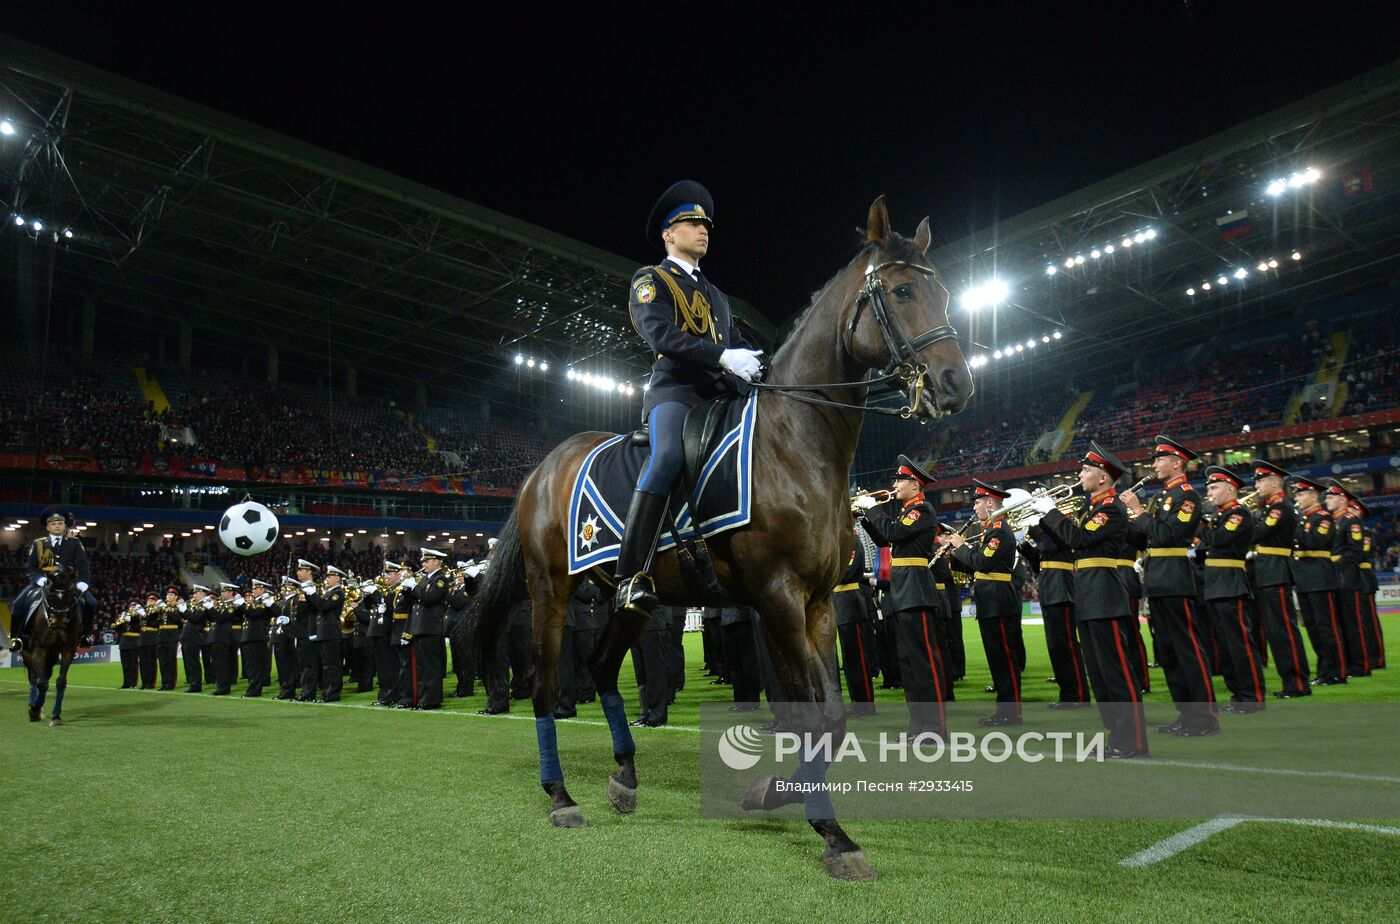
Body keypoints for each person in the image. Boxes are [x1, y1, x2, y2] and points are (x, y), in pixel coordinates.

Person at [613, 180, 762, 621]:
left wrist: (758, 361)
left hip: (720, 394)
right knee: (668, 457)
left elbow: (736, 343)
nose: (703, 230)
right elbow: (661, 335)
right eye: (692, 223)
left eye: (706, 225)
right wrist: (723, 356)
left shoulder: (717, 294)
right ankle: (630, 574)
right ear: (668, 234)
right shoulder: (650, 279)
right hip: (676, 391)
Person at [1032, 442, 1149, 758]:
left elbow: (1079, 539)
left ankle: (1133, 739)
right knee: (1099, 672)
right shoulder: (1095, 507)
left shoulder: (1110, 508)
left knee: (1116, 671)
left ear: (1102, 477)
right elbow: (1072, 543)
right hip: (1089, 594)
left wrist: (1051, 512)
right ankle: (1118, 736)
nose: (1079, 474)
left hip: (1105, 594)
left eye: (1086, 470)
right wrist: (1044, 518)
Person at [1121, 436, 1219, 737]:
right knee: (1168, 652)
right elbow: (1143, 540)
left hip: (1175, 578)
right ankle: (1185, 715)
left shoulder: (1187, 496)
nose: (1153, 465)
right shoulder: (1162, 497)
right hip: (1159, 579)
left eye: (1159, 459)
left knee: (1188, 650)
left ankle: (1204, 718)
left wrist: (1138, 513)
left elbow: (1166, 535)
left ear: (1176, 462)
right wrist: (1124, 519)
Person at [856, 455, 948, 736]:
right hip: (902, 590)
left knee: (923, 660)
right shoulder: (904, 511)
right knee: (908, 663)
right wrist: (866, 516)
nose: (894, 484)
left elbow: (893, 533)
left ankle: (935, 727)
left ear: (916, 484)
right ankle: (918, 724)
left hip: (916, 590)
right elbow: (884, 538)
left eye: (900, 479)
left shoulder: (921, 510)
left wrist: (873, 510)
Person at [947, 479, 1023, 727]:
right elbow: (978, 565)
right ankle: (1005, 711)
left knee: (1004, 658)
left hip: (998, 600)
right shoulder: (992, 529)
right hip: (992, 600)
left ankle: (1010, 713)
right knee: (997, 658)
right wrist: (955, 557)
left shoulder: (999, 530)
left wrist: (960, 547)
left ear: (991, 502)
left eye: (978, 502)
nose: (975, 508)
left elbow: (982, 562)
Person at [1200, 467, 1266, 714]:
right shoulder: (1220, 514)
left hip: (1231, 582)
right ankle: (1239, 694)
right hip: (1216, 583)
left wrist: (1202, 519)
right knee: (1226, 646)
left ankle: (1253, 697)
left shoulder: (1238, 513)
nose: (1210, 493)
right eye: (1208, 488)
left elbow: (1217, 540)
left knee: (1240, 644)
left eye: (1214, 488)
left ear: (1230, 489)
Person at [1248, 460, 1310, 698]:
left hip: (1276, 570)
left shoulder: (1280, 508)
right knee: (1275, 630)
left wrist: (1245, 516)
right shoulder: (1270, 507)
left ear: (1275, 482)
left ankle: (1297, 683)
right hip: (1268, 571)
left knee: (1283, 629)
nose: (1257, 485)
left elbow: (1257, 534)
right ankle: (1291, 682)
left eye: (1261, 480)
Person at [10, 507, 94, 652]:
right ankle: (16, 637)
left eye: (60, 523)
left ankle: (86, 635)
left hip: (68, 584)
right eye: (54, 524)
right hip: (43, 582)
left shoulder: (75, 543)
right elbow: (31, 567)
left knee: (92, 603)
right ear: (48, 526)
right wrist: (39, 579)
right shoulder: (39, 544)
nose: (57, 526)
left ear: (65, 526)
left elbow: (83, 565)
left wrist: (83, 582)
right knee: (18, 604)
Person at [1291, 476, 1347, 685]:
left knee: (1327, 627)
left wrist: (1297, 524)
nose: (1297, 497)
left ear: (1314, 496)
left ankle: (1337, 671)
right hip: (1304, 577)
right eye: (1296, 494)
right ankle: (1324, 671)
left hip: (1321, 577)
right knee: (1313, 628)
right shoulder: (1304, 518)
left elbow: (1314, 541)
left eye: (1302, 493)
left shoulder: (1323, 518)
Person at [1325, 480, 1373, 677]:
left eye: (1330, 497)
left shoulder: (1351, 521)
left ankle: (1361, 666)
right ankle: (1349, 664)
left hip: (1347, 576)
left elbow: (1355, 551)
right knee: (1341, 624)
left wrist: (1335, 562)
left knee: (1352, 624)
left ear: (1342, 499)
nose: (1326, 500)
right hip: (1336, 577)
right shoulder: (1335, 520)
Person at [833, 513, 877, 717]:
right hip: (841, 604)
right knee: (850, 662)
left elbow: (846, 573)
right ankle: (858, 702)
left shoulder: (852, 541)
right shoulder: (844, 541)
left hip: (850, 602)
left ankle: (865, 704)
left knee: (857, 658)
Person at [401, 548, 450, 710]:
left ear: (437, 562)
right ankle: (423, 698)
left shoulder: (441, 579)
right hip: (419, 627)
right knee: (421, 667)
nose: (423, 564)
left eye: (427, 561)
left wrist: (413, 586)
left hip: (430, 627)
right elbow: (414, 600)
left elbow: (429, 598)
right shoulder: (424, 579)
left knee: (431, 667)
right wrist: (406, 588)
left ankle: (432, 700)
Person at [304, 565, 347, 702]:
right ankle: (327, 692)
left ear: (338, 579)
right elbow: (316, 608)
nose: (326, 579)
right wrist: (309, 596)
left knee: (332, 665)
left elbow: (323, 606)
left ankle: (333, 693)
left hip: (331, 632)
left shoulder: (338, 593)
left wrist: (313, 594)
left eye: (329, 577)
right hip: (324, 632)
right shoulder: (328, 593)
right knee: (326, 666)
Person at [240, 579, 276, 698]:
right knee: (251, 666)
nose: (253, 591)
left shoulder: (264, 601)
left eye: (256, 589)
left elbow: (254, 613)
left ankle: (254, 690)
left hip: (257, 637)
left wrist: (243, 604)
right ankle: (253, 688)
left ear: (262, 590)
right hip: (250, 636)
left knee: (255, 666)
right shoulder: (256, 601)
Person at [271, 576, 303, 700]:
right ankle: (284, 688)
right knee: (282, 666)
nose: (284, 589)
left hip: (288, 636)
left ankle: (289, 689)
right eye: (283, 586)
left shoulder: (295, 600)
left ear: (293, 588)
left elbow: (295, 615)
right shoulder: (283, 601)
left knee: (289, 665)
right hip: (280, 636)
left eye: (287, 586)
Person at [180, 585, 207, 693]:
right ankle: (193, 683)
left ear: (202, 594)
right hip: (188, 636)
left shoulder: (203, 605)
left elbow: (195, 618)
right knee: (190, 662)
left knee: (193, 662)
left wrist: (185, 611)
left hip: (194, 637)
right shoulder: (196, 605)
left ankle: (196, 685)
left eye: (196, 593)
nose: (194, 595)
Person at [156, 586, 184, 691]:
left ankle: (171, 683)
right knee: (163, 661)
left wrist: (167, 608)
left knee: (171, 661)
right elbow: (156, 621)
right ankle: (164, 682)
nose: (169, 596)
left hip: (172, 636)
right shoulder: (162, 607)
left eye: (171, 595)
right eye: (168, 594)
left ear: (176, 597)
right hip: (161, 636)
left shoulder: (178, 607)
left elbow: (177, 619)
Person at [115, 599, 141, 688]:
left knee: (133, 664)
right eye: (131, 606)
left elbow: (138, 626)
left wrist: (131, 616)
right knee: (125, 665)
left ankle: (133, 683)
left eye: (134, 606)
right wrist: (120, 620)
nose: (132, 608)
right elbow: (117, 628)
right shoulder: (125, 615)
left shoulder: (139, 616)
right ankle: (126, 683)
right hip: (124, 642)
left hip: (134, 641)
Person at [138, 590, 161, 689]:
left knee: (151, 662)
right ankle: (144, 682)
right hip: (142, 638)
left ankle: (151, 683)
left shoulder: (157, 611)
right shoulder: (144, 611)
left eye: (152, 600)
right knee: (143, 663)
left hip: (152, 637)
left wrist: (144, 614)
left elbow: (154, 623)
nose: (149, 602)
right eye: (148, 600)